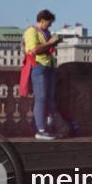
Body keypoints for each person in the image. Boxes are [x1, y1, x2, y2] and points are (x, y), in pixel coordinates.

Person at [22, 9, 61, 140]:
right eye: (49, 23)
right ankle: (40, 130)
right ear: (42, 20)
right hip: (38, 66)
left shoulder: (46, 32)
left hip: (49, 66)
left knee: (49, 98)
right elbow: (33, 50)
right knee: (41, 97)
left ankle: (46, 127)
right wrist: (50, 43)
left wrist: (53, 43)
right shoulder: (31, 31)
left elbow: (46, 48)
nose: (50, 26)